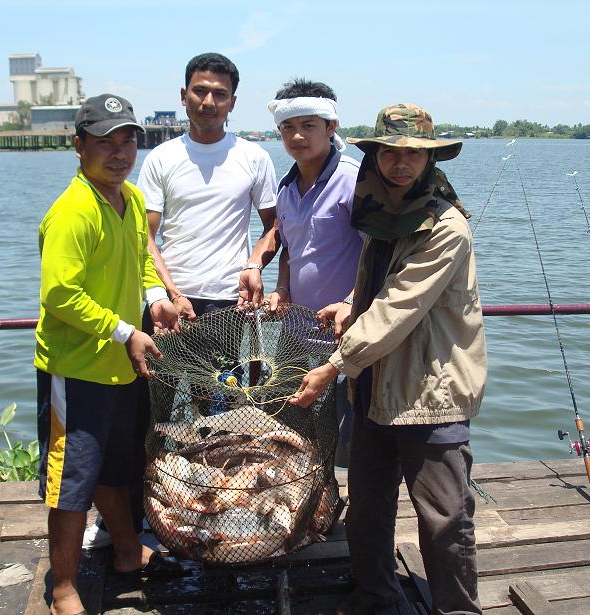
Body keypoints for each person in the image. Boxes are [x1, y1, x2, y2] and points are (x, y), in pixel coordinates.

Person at [288, 103, 487, 615]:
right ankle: (377, 600)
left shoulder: (446, 227)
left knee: (444, 522)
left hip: (430, 393)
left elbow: (400, 307)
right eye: (391, 153)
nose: (402, 164)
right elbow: (377, 290)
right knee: (368, 513)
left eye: (413, 155)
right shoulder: (381, 213)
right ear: (375, 157)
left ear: (429, 160)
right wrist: (352, 304)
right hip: (375, 387)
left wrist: (334, 365)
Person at [82, 52, 279, 550]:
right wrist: (163, 293)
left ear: (233, 102)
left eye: (219, 94)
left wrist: (255, 263)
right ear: (183, 96)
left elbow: (276, 226)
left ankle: (221, 515)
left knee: (227, 408)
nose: (208, 101)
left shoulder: (253, 157)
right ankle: (135, 519)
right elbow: (143, 238)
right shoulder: (162, 158)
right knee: (157, 410)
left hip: (233, 308)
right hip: (172, 307)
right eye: (200, 91)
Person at [35, 93, 181, 615]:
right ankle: (63, 587)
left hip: (123, 364)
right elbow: (59, 294)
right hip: (76, 370)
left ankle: (125, 552)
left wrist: (156, 300)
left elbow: (141, 260)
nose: (120, 153)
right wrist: (125, 331)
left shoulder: (132, 199)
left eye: (128, 141)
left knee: (116, 467)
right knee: (72, 478)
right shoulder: (73, 211)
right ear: (78, 147)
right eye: (105, 143)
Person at [265, 78, 363, 468]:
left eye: (308, 125)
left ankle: (358, 520)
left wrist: (350, 301)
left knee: (351, 442)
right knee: (298, 437)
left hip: (345, 341)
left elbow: (380, 255)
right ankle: (313, 510)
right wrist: (282, 288)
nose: (297, 136)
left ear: (331, 127)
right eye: (288, 127)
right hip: (295, 337)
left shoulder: (354, 181)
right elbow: (289, 249)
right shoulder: (287, 187)